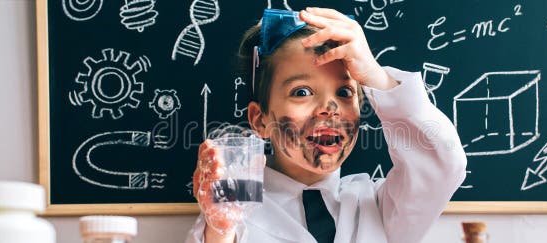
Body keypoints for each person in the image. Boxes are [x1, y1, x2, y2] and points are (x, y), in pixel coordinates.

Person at [186, 7, 467, 243]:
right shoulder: (235, 207)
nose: (328, 109)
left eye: (344, 93)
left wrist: (376, 77)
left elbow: (443, 162)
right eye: (301, 92)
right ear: (260, 120)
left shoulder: (379, 205)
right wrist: (220, 228)